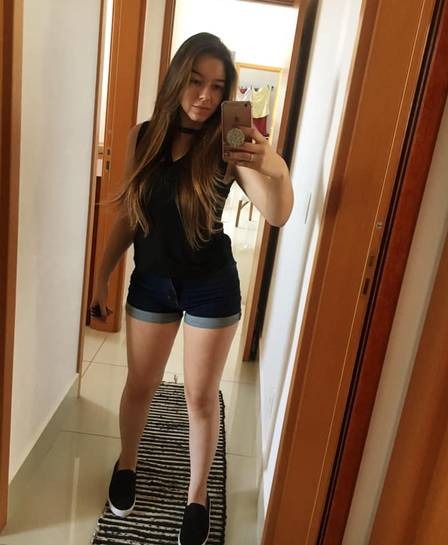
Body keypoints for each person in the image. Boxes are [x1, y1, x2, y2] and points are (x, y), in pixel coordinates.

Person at [89, 32, 293, 545]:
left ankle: (196, 497)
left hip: (211, 287)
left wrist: (274, 167)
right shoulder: (143, 138)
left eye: (217, 86)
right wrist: (100, 274)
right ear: (177, 78)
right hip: (152, 283)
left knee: (200, 399)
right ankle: (128, 465)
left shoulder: (228, 144)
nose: (204, 95)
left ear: (227, 93)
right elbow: (129, 217)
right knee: (140, 385)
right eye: (196, 81)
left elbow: (277, 213)